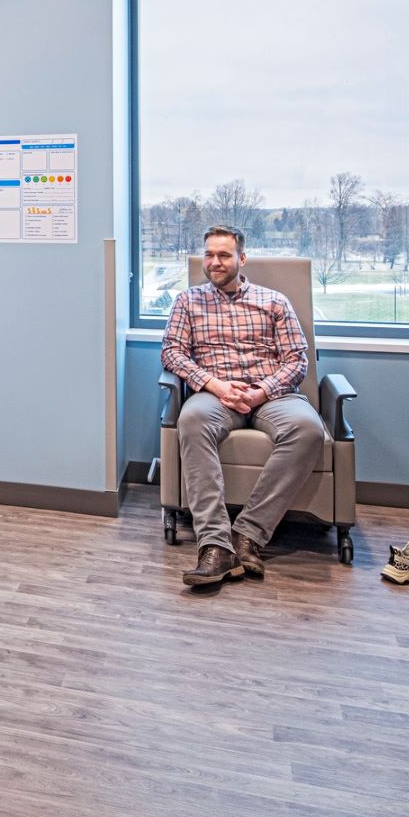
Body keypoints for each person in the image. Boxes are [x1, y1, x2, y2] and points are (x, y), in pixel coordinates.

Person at [161, 224, 326, 589]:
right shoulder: (188, 301)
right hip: (215, 394)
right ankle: (215, 547)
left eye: (223, 255)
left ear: (241, 258)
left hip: (271, 395)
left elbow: (297, 360)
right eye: (209, 255)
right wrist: (215, 385)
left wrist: (259, 393)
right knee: (192, 420)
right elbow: (171, 353)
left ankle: (248, 535)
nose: (215, 262)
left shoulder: (274, 302)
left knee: (308, 430)